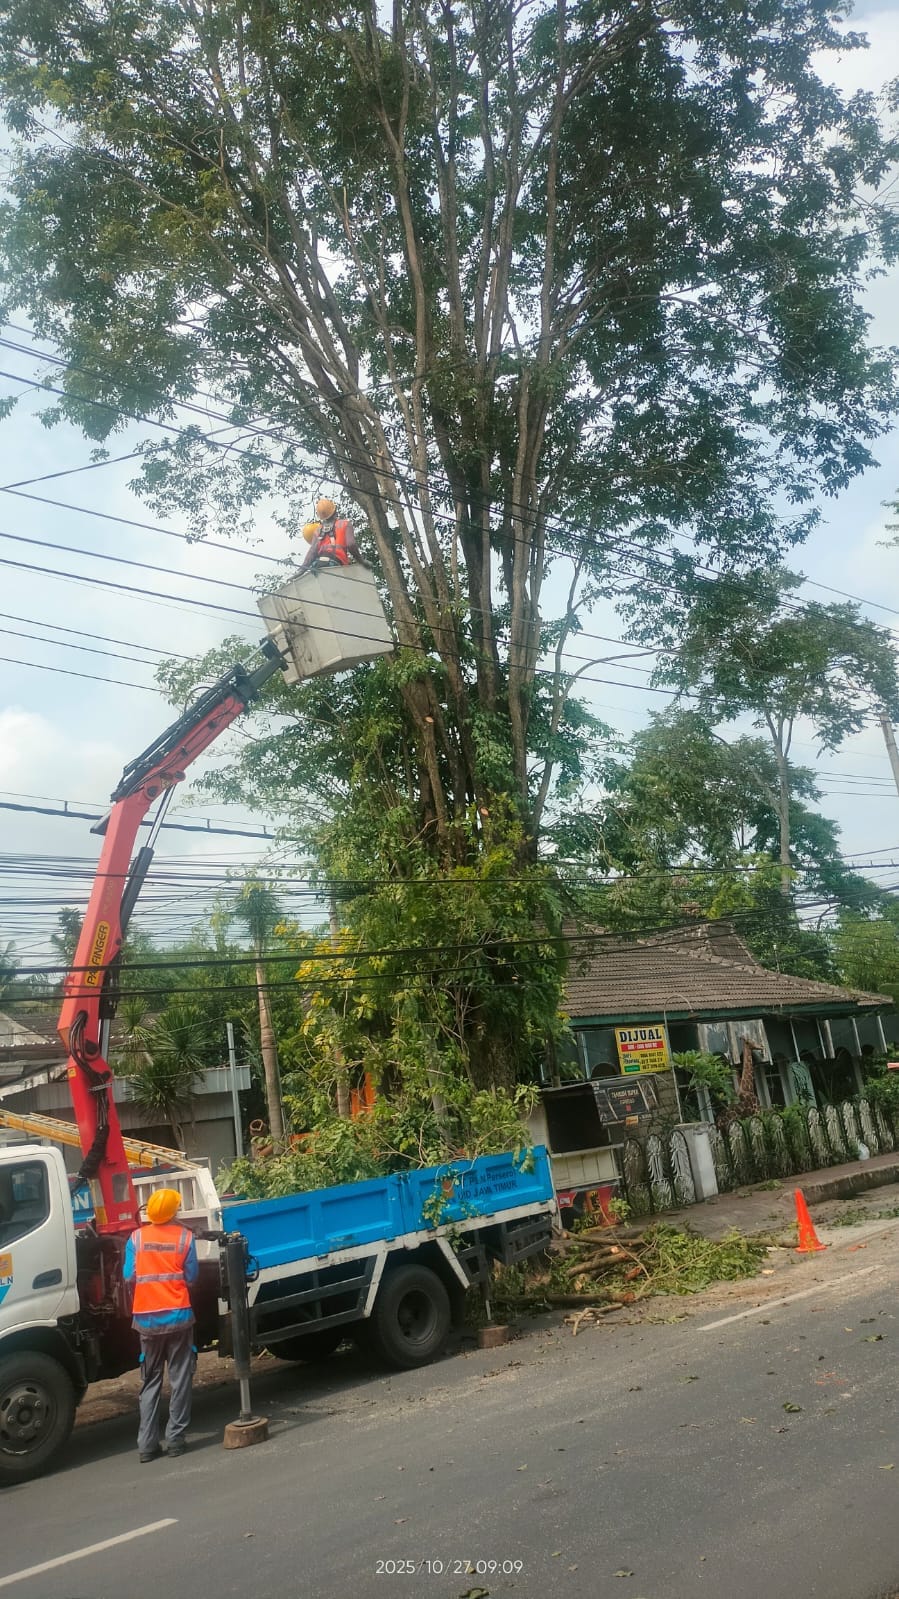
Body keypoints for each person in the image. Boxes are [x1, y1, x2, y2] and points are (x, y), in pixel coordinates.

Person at [124, 1187, 198, 1463]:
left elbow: (128, 1275)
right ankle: (176, 1441)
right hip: (178, 1318)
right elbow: (191, 1276)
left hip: (146, 1321)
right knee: (180, 1380)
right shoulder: (185, 1237)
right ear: (174, 1212)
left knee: (150, 1382)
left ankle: (147, 1446)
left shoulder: (136, 1238)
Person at [301, 496, 366, 568]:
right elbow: (351, 545)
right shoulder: (345, 524)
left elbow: (312, 552)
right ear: (335, 511)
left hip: (319, 564)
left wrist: (301, 570)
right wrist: (362, 561)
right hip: (337, 564)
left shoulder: (317, 531)